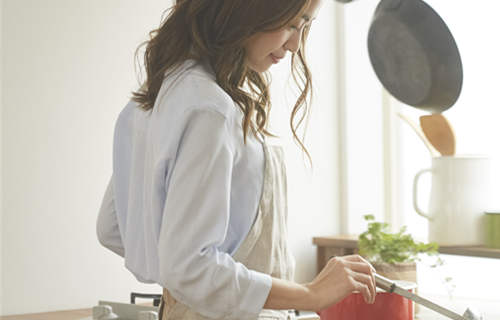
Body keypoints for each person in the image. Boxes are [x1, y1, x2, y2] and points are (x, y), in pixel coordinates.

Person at [95, 1, 377, 319]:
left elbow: (113, 228)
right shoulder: (210, 108)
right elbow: (189, 266)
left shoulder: (155, 97)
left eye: (305, 26)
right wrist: (310, 294)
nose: (296, 44)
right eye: (292, 23)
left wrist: (189, 287)